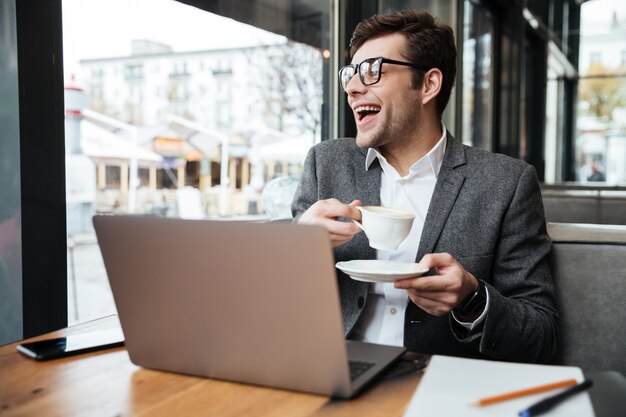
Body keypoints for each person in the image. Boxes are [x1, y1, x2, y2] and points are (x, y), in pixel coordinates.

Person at [292, 10, 557, 363]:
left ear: (429, 85)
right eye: (350, 75)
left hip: (441, 383)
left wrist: (471, 299)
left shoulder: (506, 183)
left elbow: (542, 332)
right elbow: (282, 304)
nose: (353, 88)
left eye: (372, 70)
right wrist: (297, 248)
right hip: (335, 371)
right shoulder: (325, 164)